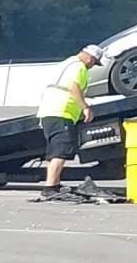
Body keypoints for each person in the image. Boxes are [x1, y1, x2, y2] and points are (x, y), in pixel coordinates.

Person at [37, 44, 102, 196]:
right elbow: (74, 88)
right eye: (94, 62)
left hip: (49, 112)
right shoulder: (79, 67)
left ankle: (55, 183)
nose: (92, 66)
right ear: (90, 57)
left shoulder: (67, 63)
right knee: (61, 151)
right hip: (62, 113)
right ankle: (50, 188)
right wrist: (85, 107)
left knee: (55, 152)